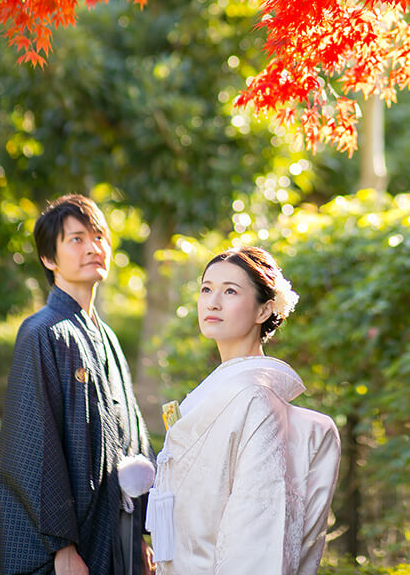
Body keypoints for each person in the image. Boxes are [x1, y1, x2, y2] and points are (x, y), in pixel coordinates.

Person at [146, 246, 341, 575]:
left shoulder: (255, 398)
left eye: (230, 291)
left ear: (264, 310)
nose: (213, 302)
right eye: (206, 289)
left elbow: (256, 527)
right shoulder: (220, 390)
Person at [0, 194, 156, 575]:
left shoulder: (108, 337)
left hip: (118, 529)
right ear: (49, 259)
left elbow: (132, 437)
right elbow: (35, 447)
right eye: (76, 239)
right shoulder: (42, 332)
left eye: (99, 237)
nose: (93, 248)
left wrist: (145, 535)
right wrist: (62, 547)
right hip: (72, 540)